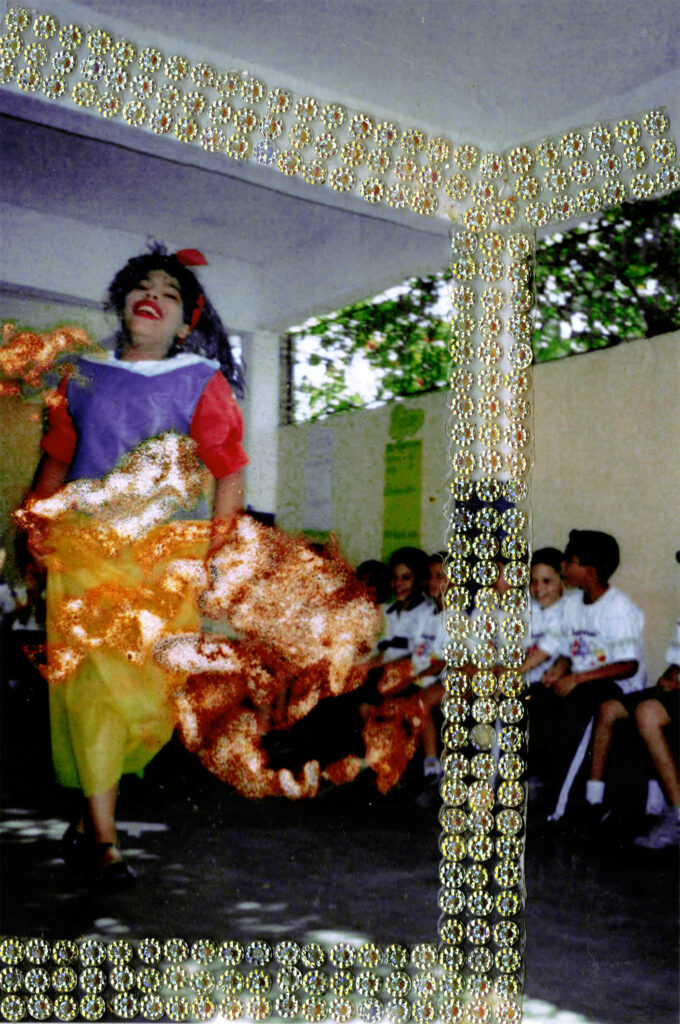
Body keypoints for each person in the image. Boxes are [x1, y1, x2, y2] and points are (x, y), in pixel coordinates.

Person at [20, 244, 248, 888]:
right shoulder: (82, 376)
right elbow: (58, 460)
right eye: (143, 285)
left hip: (164, 559)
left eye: (170, 293)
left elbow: (229, 472)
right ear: (122, 301)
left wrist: (217, 558)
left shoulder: (200, 381)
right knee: (96, 688)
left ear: (185, 323)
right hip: (85, 551)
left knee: (149, 698)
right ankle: (104, 841)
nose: (153, 296)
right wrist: (35, 526)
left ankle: (91, 813)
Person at [538, 530, 646, 820]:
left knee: (577, 710)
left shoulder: (617, 608)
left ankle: (567, 806)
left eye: (570, 561)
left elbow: (629, 665)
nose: (563, 566)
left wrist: (576, 679)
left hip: (617, 685)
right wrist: (558, 670)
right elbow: (567, 650)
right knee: (538, 699)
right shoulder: (573, 604)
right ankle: (546, 783)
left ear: (591, 571)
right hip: (583, 680)